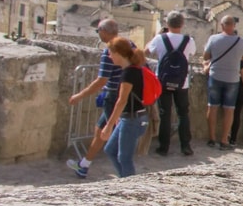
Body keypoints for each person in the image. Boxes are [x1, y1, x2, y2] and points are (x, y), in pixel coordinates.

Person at [67, 19, 129, 179]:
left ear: (105, 32)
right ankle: (84, 166)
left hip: (113, 96)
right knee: (100, 131)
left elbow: (101, 80)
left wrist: (79, 95)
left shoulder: (110, 51)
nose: (98, 35)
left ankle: (126, 173)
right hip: (123, 93)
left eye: (98, 31)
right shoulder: (129, 44)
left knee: (116, 137)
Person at [145, 11, 196, 156]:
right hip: (182, 83)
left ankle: (163, 147)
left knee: (165, 114)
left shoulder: (160, 39)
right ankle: (185, 146)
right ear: (182, 24)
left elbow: (146, 52)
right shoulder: (189, 40)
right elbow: (191, 53)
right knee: (183, 114)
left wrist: (157, 36)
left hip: (163, 81)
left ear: (167, 24)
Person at [101, 36, 149, 178]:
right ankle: (124, 178)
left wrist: (109, 125)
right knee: (110, 150)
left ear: (118, 53)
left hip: (132, 120)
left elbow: (121, 101)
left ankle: (129, 185)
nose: (109, 56)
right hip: (130, 118)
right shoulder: (133, 69)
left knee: (124, 158)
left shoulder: (128, 74)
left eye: (111, 53)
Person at [202, 15, 243, 150]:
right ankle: (223, 140)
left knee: (212, 107)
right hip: (233, 79)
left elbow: (206, 56)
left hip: (215, 76)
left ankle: (211, 138)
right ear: (234, 26)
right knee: (229, 110)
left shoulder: (213, 39)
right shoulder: (241, 41)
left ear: (222, 26)